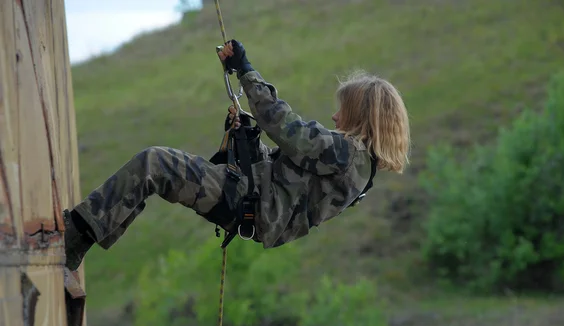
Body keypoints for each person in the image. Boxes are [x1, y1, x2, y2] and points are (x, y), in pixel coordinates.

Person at [62, 40, 411, 272]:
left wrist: (247, 71)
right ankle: (83, 234)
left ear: (361, 116)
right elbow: (280, 178)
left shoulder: (346, 154)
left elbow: (282, 123)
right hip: (251, 203)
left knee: (154, 164)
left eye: (342, 111)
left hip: (247, 203)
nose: (335, 118)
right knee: (156, 169)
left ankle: (75, 235)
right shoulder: (357, 166)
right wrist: (248, 137)